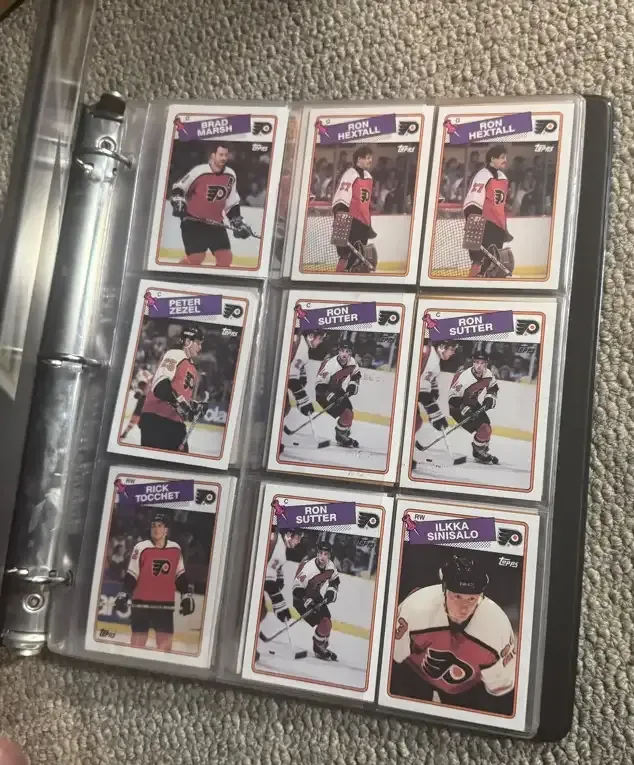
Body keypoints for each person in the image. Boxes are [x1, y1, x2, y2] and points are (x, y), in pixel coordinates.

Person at [391, 555, 516, 714]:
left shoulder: (498, 627)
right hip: (414, 676)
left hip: (465, 690)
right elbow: (394, 658)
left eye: (472, 598)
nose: (464, 608)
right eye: (457, 596)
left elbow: (501, 688)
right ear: (444, 589)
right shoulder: (414, 607)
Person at [114, 513, 195, 651]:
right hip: (141, 603)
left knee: (165, 647)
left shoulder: (176, 549)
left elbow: (180, 576)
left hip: (165, 605)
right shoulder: (141, 547)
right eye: (153, 526)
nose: (156, 529)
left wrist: (186, 595)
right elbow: (132, 574)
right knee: (137, 645)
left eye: (159, 526)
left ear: (166, 530)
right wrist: (124, 593)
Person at [170, 142, 252, 268]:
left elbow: (231, 202)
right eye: (221, 155)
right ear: (213, 155)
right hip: (193, 221)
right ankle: (177, 272)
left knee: (225, 259)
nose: (224, 158)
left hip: (215, 223)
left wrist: (237, 221)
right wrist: (178, 201)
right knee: (196, 258)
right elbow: (179, 187)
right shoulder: (199, 171)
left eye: (226, 155)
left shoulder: (230, 175)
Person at [139, 326, 208, 452]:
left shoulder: (192, 368)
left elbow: (180, 397)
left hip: (175, 423)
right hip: (157, 419)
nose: (200, 347)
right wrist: (182, 405)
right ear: (187, 342)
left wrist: (194, 407)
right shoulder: (175, 354)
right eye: (198, 343)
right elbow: (160, 386)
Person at [462, 144, 511, 277]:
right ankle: (473, 280)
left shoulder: (503, 177)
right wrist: (473, 221)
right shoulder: (483, 175)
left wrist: (504, 227)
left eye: (505, 157)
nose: (505, 160)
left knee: (493, 263)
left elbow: (500, 204)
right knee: (479, 260)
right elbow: (473, 200)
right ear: (492, 159)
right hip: (485, 223)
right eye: (502, 157)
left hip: (498, 225)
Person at [412, 340, 458, 470]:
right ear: (442, 347)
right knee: (413, 422)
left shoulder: (435, 361)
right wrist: (434, 413)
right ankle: (405, 452)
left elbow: (427, 379)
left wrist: (434, 388)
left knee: (416, 422)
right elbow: (420, 389)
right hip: (407, 391)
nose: (453, 353)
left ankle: (407, 451)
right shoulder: (425, 352)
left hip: (412, 392)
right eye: (452, 349)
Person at [447, 350, 500, 465]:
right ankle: (478, 452)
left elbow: (493, 387)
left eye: (482, 363)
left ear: (486, 364)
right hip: (457, 408)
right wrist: (464, 409)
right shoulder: (464, 377)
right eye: (476, 362)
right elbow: (452, 398)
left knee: (487, 428)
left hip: (472, 403)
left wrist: (490, 397)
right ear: (473, 363)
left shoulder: (488, 374)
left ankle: (481, 448)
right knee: (484, 430)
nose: (479, 366)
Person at [292, 541, 340, 661]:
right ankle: (318, 647)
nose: (322, 557)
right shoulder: (309, 568)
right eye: (320, 553)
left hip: (315, 596)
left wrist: (331, 591)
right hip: (301, 600)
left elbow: (335, 581)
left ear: (329, 555)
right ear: (317, 553)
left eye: (326, 554)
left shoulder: (330, 566)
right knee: (324, 623)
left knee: (327, 622)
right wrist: (306, 601)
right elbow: (296, 589)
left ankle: (322, 644)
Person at [331, 145, 376, 272]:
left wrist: (368, 223)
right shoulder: (350, 174)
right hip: (352, 221)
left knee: (359, 260)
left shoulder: (368, 176)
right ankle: (340, 275)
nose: (370, 160)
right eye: (368, 158)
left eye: (370, 158)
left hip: (364, 222)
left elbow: (365, 202)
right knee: (346, 256)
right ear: (359, 159)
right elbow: (342, 197)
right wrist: (340, 215)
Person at [280, 329, 325, 454]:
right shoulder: (302, 349)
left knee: (284, 406)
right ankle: (269, 439)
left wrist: (302, 375)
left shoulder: (300, 342)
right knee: (282, 407)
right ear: (311, 336)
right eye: (320, 338)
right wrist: (304, 401)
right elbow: (291, 379)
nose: (321, 342)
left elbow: (293, 369)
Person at [314, 343, 362, 448]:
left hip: (337, 391)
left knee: (349, 413)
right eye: (342, 351)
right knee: (347, 414)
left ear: (351, 353)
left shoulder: (352, 362)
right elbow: (319, 387)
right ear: (338, 351)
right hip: (323, 394)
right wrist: (330, 396)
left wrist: (352, 387)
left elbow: (356, 376)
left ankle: (343, 433)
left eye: (347, 351)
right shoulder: (330, 365)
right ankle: (340, 436)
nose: (344, 354)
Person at [259, 527, 304, 625]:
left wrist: (280, 577)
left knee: (262, 610)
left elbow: (274, 566)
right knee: (260, 610)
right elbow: (266, 579)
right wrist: (280, 606)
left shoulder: (281, 546)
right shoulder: (274, 542)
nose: (299, 542)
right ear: (288, 535)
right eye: (297, 538)